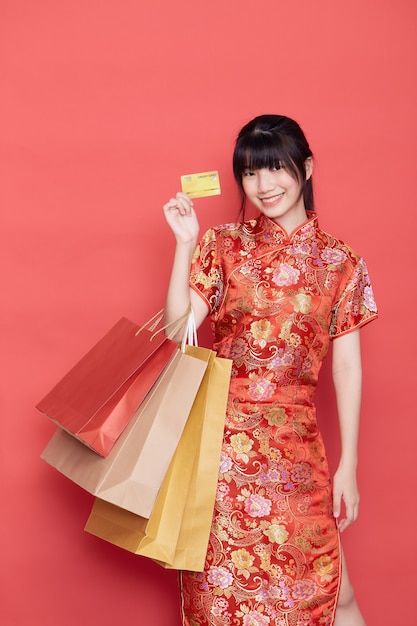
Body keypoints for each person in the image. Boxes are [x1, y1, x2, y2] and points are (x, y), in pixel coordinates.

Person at [163, 114, 378, 626]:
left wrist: (348, 463)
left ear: (304, 168)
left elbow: (346, 369)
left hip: (298, 450)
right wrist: (184, 244)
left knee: (331, 593)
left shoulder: (340, 262)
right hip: (222, 450)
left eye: (275, 169)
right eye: (250, 174)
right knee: (223, 601)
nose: (264, 185)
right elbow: (177, 333)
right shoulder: (222, 245)